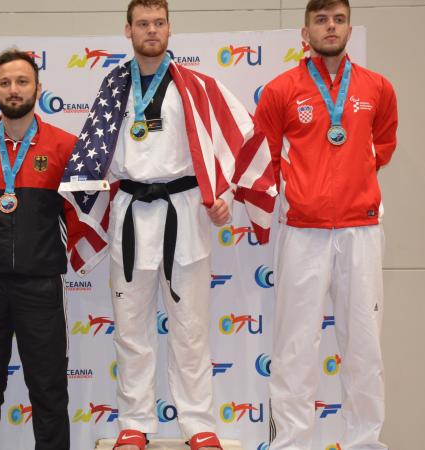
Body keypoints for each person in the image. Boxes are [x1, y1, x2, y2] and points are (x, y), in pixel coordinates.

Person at [59, 2, 275, 449]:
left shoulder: (197, 86)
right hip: (131, 215)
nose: (151, 30)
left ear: (170, 29)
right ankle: (134, 423)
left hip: (185, 210)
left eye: (158, 23)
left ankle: (198, 423)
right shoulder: (113, 88)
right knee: (131, 329)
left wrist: (227, 195)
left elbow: (239, 141)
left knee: (190, 328)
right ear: (128, 30)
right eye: (143, 24)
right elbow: (96, 157)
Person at [235, 1, 399, 449]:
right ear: (305, 31)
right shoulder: (280, 90)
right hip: (302, 229)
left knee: (364, 348)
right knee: (295, 348)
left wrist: (353, 179)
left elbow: (382, 145)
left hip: (360, 229)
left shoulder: (378, 88)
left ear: (349, 27)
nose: (331, 27)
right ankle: (291, 442)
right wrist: (305, 191)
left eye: (339, 19)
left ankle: (365, 442)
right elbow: (263, 157)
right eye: (322, 20)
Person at [0, 49, 77, 450]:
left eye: (22, 81)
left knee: (48, 394)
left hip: (39, 287)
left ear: (38, 88)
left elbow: (74, 215)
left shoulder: (63, 146)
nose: (13, 89)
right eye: (5, 82)